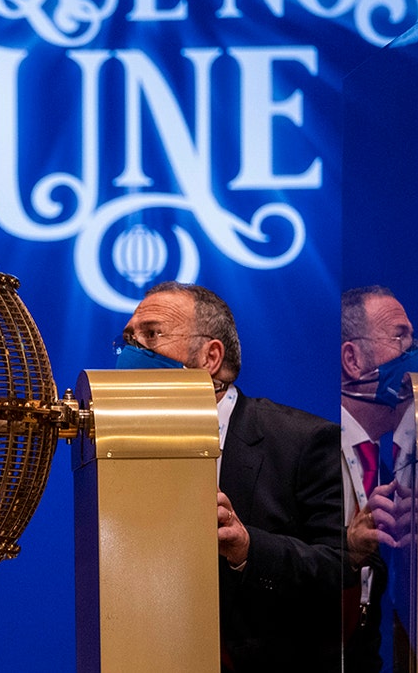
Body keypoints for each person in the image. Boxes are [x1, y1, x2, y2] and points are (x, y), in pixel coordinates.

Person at [116, 281, 345, 673]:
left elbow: (340, 568)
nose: (131, 352)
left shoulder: (304, 440)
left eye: (151, 335)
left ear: (210, 356)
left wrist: (248, 549)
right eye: (128, 338)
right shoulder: (120, 445)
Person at [340, 286, 418, 673]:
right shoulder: (304, 449)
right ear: (352, 360)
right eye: (399, 337)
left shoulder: (390, 469)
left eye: (413, 338)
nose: (415, 355)